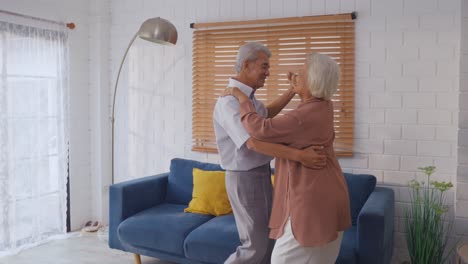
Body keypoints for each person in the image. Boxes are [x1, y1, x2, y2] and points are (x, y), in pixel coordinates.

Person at [225, 52, 351, 263]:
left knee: (281, 259)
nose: (294, 76)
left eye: (300, 74)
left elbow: (259, 129)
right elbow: (269, 116)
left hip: (310, 197)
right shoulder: (324, 106)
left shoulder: (303, 115)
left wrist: (242, 98)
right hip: (330, 192)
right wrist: (294, 89)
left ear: (313, 81)